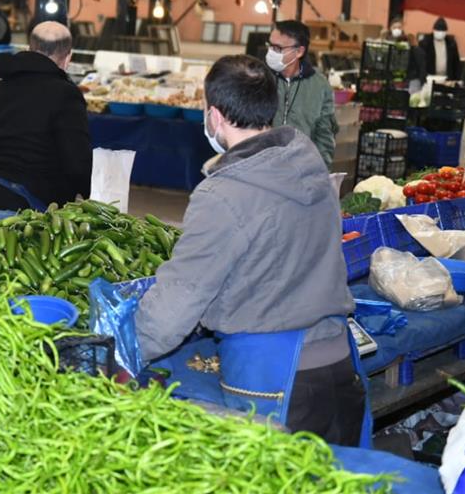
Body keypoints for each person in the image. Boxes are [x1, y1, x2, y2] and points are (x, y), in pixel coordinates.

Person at [136, 55, 365, 446]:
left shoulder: (222, 195)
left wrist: (124, 347)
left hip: (275, 382)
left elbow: (178, 303)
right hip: (340, 368)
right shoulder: (307, 161)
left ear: (215, 116)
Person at [0, 21, 91, 213]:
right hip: (32, 210)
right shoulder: (66, 94)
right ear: (68, 57)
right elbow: (77, 160)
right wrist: (92, 195)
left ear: (30, 48)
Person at [267, 20, 337, 168]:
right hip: (263, 167)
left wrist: (321, 171)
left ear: (299, 51)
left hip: (301, 169)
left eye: (278, 48)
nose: (271, 52)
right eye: (270, 46)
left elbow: (325, 134)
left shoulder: (319, 85)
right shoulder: (260, 78)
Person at [385, 16, 426, 92]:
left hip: (405, 80)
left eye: (399, 27)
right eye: (394, 27)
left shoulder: (408, 43)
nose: (397, 30)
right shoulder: (385, 43)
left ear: (402, 29)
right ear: (390, 28)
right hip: (388, 79)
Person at [418, 17, 461, 81]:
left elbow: (456, 63)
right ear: (433, 30)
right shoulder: (425, 43)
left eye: (443, 31)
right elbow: (421, 62)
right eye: (438, 30)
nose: (440, 33)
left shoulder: (451, 43)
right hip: (430, 77)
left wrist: (457, 79)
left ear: (446, 32)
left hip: (447, 78)